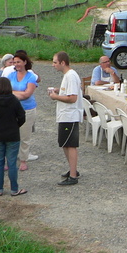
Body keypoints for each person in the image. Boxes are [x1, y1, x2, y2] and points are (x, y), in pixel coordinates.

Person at [0, 77, 27, 196]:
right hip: (12, 135)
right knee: (12, 163)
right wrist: (15, 125)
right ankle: (14, 189)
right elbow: (22, 116)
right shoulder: (14, 100)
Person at [49, 51, 83, 186]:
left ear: (63, 63)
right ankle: (72, 169)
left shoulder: (71, 76)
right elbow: (68, 92)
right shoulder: (67, 76)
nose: (53, 65)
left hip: (70, 115)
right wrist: (59, 91)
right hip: (64, 115)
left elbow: (73, 98)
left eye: (55, 62)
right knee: (64, 143)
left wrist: (56, 97)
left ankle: (73, 176)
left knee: (71, 144)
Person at [9, 51, 38, 170]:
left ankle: (23, 160)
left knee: (25, 136)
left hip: (27, 109)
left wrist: (11, 93)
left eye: (19, 62)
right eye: (15, 62)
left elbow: (27, 94)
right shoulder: (10, 75)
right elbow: (0, 90)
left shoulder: (31, 76)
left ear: (25, 62)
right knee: (11, 135)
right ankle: (11, 159)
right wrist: (18, 94)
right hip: (12, 109)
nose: (16, 64)